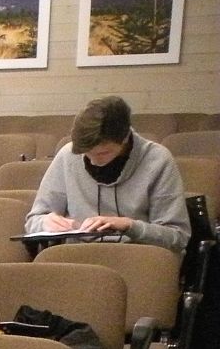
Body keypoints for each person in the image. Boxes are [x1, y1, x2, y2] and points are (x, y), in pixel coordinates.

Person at [26, 94, 189, 253]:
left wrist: (129, 226)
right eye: (87, 154)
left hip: (137, 256)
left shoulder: (157, 159)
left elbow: (177, 237)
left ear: (125, 139)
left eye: (103, 153)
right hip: (79, 255)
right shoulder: (68, 155)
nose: (93, 161)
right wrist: (44, 223)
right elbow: (33, 221)